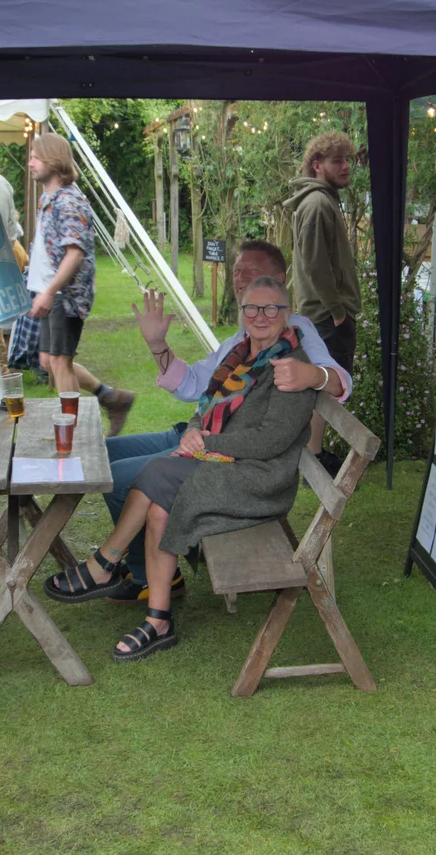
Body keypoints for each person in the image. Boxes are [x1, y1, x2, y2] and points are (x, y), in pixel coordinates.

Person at [53, 240, 353, 606]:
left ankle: (143, 575)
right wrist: (157, 344)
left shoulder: (297, 329)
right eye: (237, 270)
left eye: (251, 271)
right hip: (199, 432)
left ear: (278, 281)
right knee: (105, 452)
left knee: (120, 475)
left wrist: (314, 375)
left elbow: (338, 381)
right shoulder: (240, 340)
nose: (240, 278)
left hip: (219, 448)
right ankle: (138, 567)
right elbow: (194, 384)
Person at [46, 276, 318, 661]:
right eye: (252, 308)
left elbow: (269, 442)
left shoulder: (292, 369)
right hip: (230, 466)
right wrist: (194, 432)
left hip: (260, 481)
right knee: (160, 504)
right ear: (241, 313)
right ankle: (158, 621)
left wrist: (206, 443)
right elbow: (205, 406)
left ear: (287, 314)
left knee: (158, 473)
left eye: (272, 308)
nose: (261, 316)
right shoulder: (241, 355)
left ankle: (104, 563)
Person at [25, 132, 137, 432]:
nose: (30, 162)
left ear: (53, 159)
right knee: (49, 361)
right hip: (51, 291)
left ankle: (69, 432)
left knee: (60, 362)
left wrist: (49, 292)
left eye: (35, 156)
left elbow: (74, 254)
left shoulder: (70, 201)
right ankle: (111, 397)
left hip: (63, 294)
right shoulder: (49, 198)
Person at [285, 131, 360, 474]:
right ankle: (314, 456)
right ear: (317, 165)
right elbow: (316, 265)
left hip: (324, 314)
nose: (345, 167)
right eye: (337, 161)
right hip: (326, 317)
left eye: (347, 160)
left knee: (325, 384)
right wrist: (338, 310)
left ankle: (315, 451)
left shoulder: (322, 200)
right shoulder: (317, 204)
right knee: (328, 384)